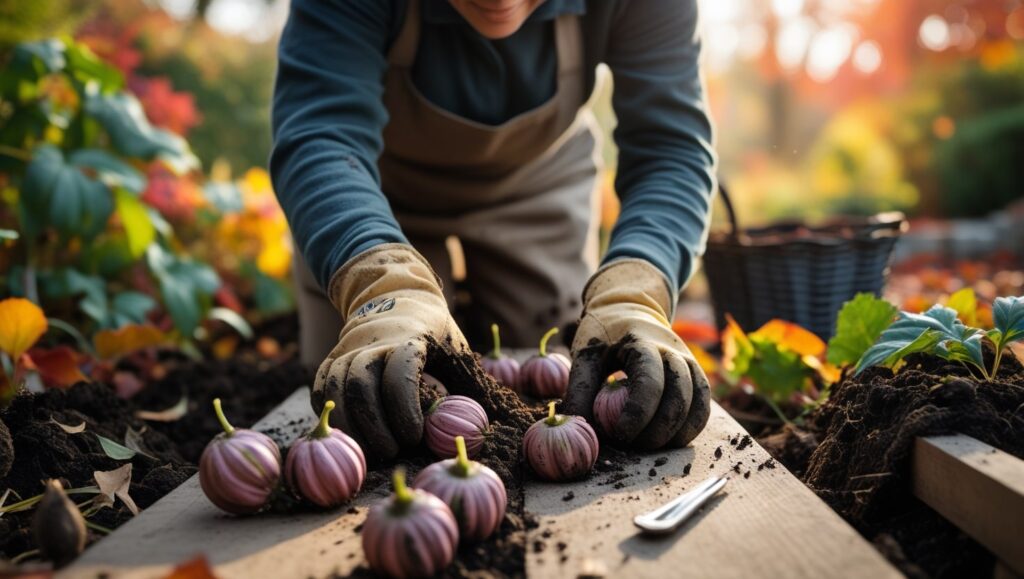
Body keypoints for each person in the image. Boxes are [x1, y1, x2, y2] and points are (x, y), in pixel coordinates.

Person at [270, 0, 717, 460]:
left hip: (537, 182)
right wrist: (380, 289)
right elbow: (319, 135)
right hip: (374, 193)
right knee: (365, 395)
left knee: (552, 371)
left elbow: (671, 152)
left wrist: (634, 293)